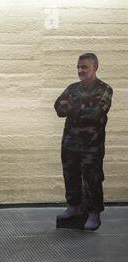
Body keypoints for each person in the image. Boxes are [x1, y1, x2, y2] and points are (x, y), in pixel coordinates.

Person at [54, 53, 113, 231]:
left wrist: (73, 107)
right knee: (70, 176)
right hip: (70, 143)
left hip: (91, 146)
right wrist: (82, 106)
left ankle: (94, 213)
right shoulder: (72, 88)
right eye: (78, 67)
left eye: (84, 67)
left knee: (92, 179)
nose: (80, 70)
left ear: (95, 67)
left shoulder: (104, 89)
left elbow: (96, 114)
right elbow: (58, 108)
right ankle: (73, 207)